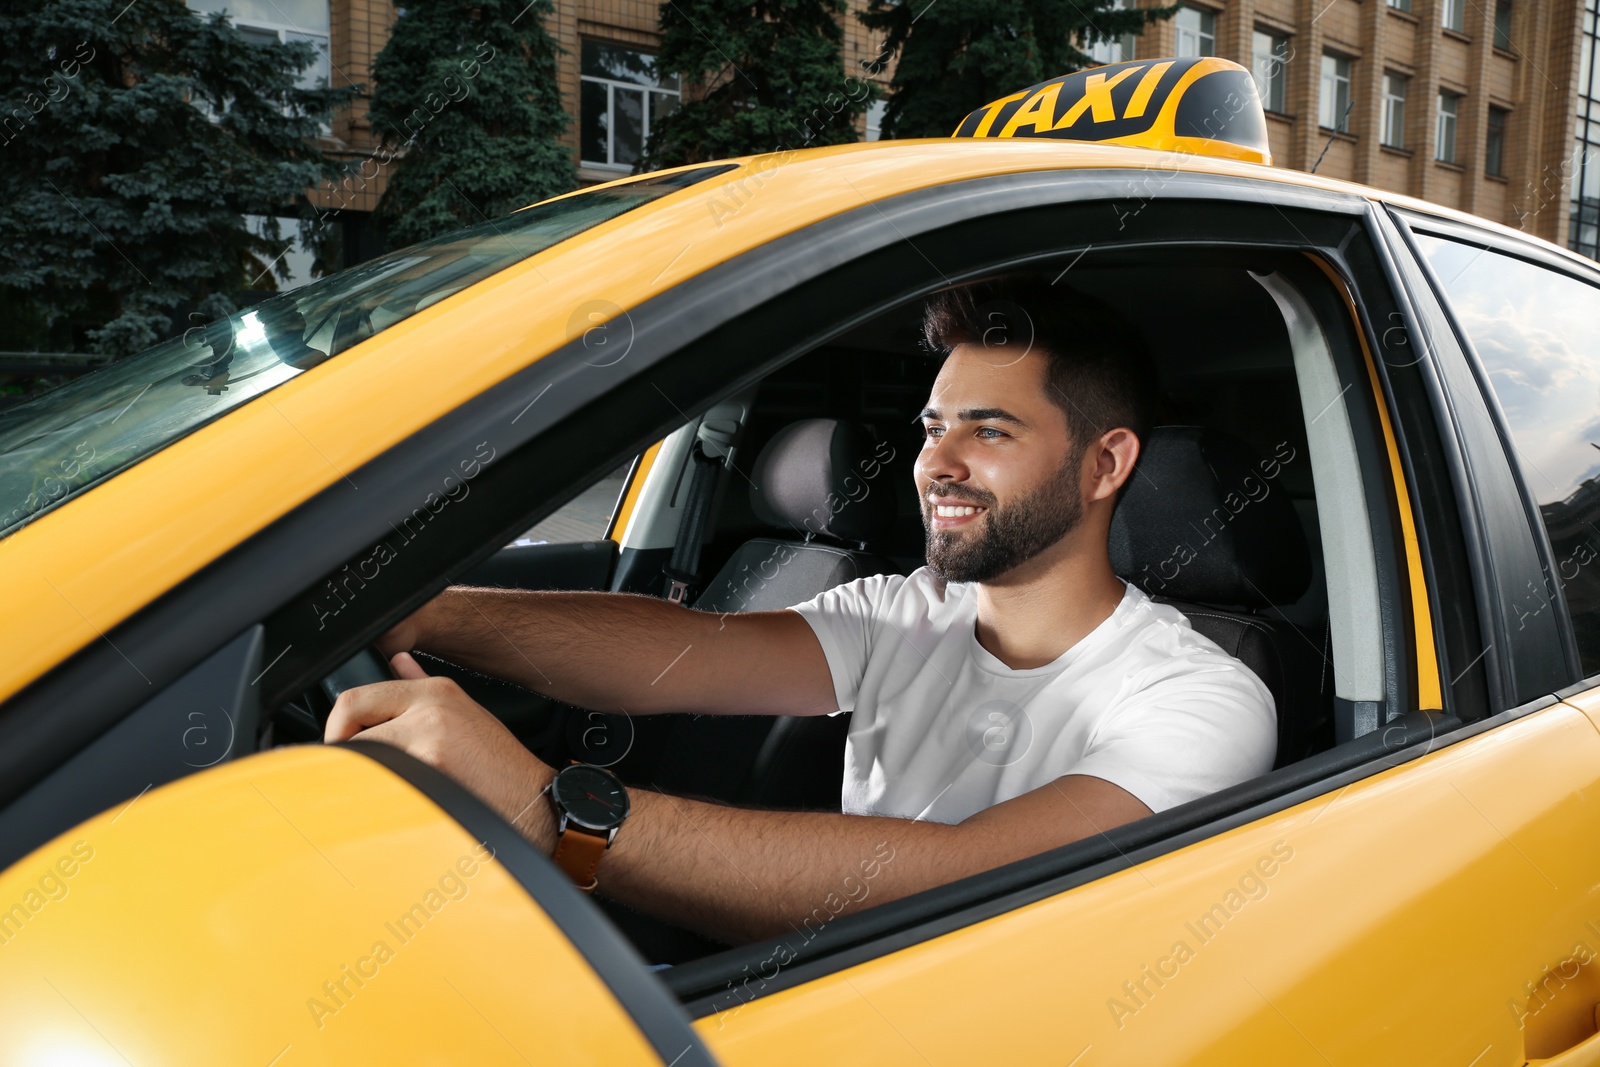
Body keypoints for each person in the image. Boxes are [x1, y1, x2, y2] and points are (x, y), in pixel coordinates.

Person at [325, 278, 1276, 946]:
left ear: (1106, 463)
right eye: (933, 427)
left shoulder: (1200, 700)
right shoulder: (907, 611)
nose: (937, 465)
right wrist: (433, 616)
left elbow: (954, 883)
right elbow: (692, 656)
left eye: (990, 430)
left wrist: (554, 811)